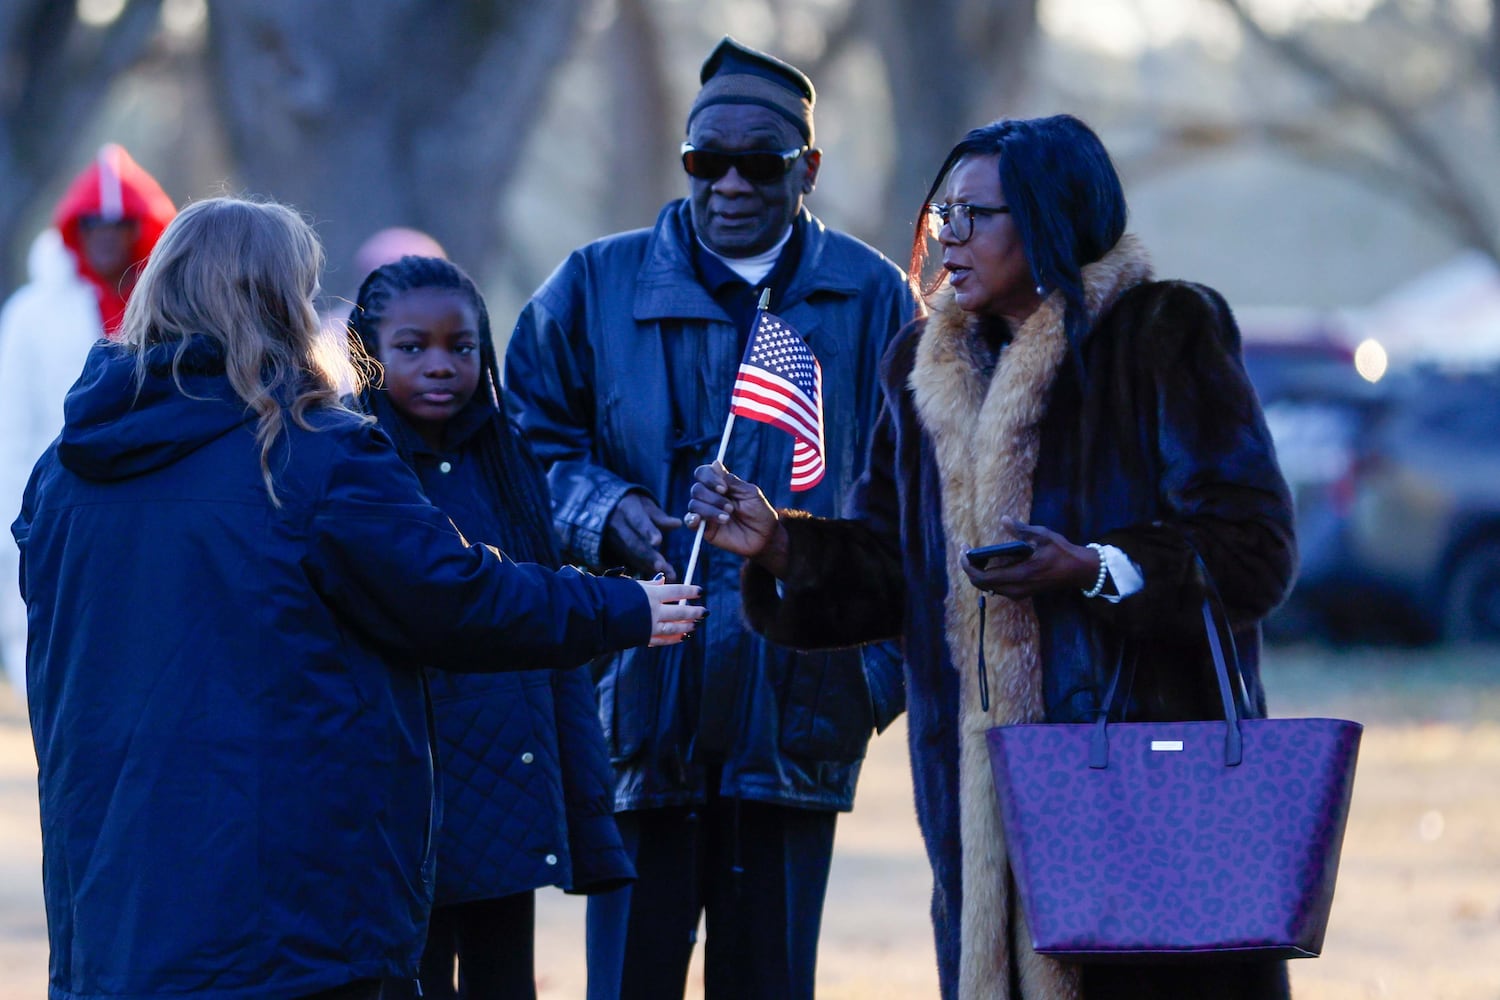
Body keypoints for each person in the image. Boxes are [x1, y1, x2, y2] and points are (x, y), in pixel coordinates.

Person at [12, 197, 704, 1000]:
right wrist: (621, 608)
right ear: (279, 302)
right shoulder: (310, 453)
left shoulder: (66, 470)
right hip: (290, 912)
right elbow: (454, 595)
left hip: (115, 905)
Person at [687, 115, 1298, 1000]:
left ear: (1050, 218)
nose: (949, 238)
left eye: (974, 215)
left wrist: (1094, 569)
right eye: (943, 215)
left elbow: (1255, 550)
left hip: (1148, 795)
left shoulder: (1163, 331)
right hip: (977, 812)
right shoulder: (920, 361)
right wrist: (782, 543)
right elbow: (891, 571)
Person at [504, 36, 918, 1000]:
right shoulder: (592, 287)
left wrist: (869, 681)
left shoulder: (872, 299)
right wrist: (607, 508)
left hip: (798, 709)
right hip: (637, 700)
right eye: (706, 159)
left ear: (808, 168)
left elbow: (919, 501)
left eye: (760, 163)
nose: (730, 183)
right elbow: (519, 449)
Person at [349, 255, 633, 1000]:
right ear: (367, 353)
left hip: (509, 779)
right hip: (405, 789)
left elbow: (543, 617)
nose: (441, 365)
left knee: (505, 980)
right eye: (412, 347)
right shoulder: (353, 463)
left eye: (462, 346)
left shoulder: (507, 457)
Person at [0, 143, 176, 700]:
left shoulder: (170, 310)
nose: (107, 237)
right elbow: (12, 427)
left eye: (120, 224)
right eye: (93, 224)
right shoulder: (31, 315)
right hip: (60, 504)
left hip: (151, 506)